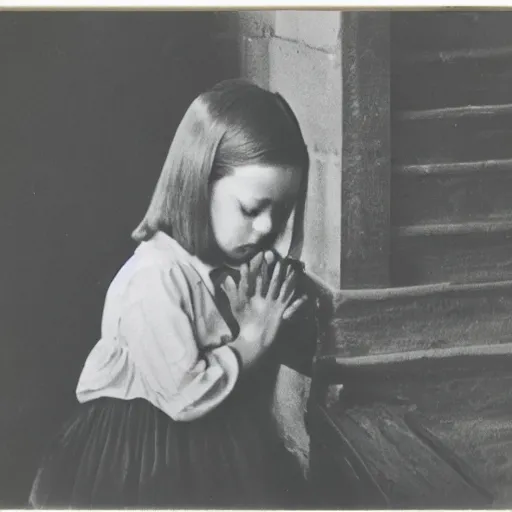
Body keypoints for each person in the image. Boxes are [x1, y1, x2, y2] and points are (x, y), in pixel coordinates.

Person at [29, 78, 317, 508]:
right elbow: (184, 394)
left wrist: (238, 324)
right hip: (143, 451)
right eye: (252, 209)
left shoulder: (207, 270)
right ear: (197, 187)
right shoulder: (154, 279)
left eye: (281, 211)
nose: (266, 227)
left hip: (203, 437)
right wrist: (251, 339)